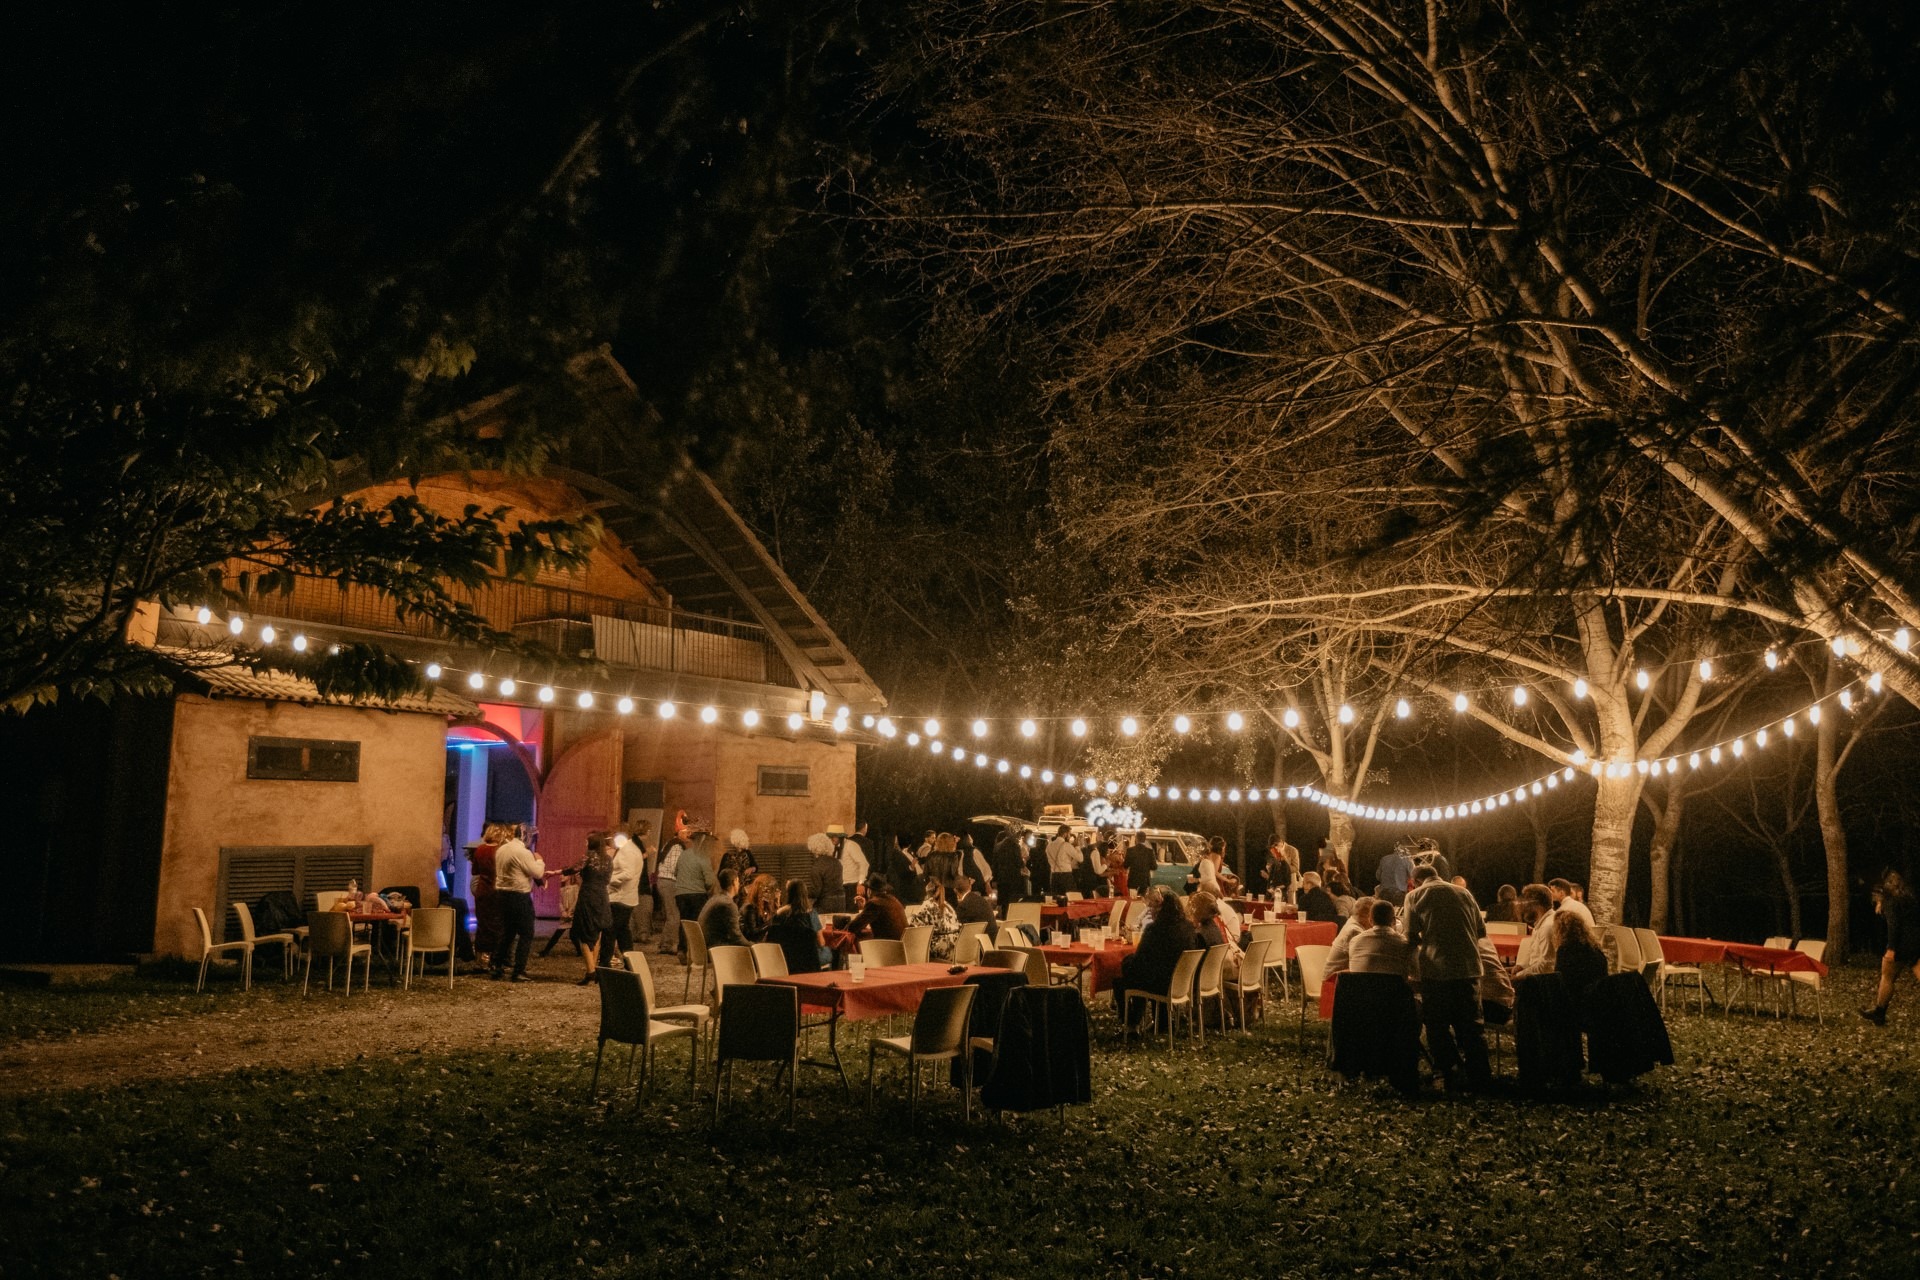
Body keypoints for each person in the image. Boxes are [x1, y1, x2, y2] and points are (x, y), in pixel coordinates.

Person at [1403, 864, 1491, 1091]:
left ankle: (1448, 1069)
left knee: (1437, 1024)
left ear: (1416, 880)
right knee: (1472, 1024)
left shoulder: (1415, 896)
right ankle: (1480, 1074)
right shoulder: (1464, 893)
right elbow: (1481, 931)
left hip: (1437, 968)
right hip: (1468, 966)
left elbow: (1411, 936)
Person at [1114, 887, 1199, 1026]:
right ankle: (1161, 1021)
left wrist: (1126, 962)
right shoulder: (1188, 927)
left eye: (1152, 908)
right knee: (1142, 970)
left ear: (1159, 909)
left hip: (1161, 984)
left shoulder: (1154, 930)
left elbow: (1138, 963)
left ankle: (1131, 1024)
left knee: (1122, 981)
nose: (1150, 911)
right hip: (1182, 981)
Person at [1862, 869, 1920, 1025]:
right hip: (1915, 942)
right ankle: (1879, 1012)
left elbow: (1894, 926)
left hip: (1901, 945)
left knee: (1887, 977)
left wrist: (1891, 949)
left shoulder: (1891, 901)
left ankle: (1879, 1012)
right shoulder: (1909, 897)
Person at [490, 824, 545, 982]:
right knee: (526, 933)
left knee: (507, 932)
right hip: (519, 896)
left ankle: (497, 965)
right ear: (526, 836)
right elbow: (537, 872)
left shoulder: (502, 849)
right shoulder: (523, 852)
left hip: (502, 894)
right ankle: (519, 970)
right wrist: (540, 861)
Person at [568, 833, 615, 985]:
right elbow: (608, 879)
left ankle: (591, 972)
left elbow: (573, 869)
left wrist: (557, 872)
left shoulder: (588, 856)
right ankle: (593, 969)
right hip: (602, 895)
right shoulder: (608, 859)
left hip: (588, 895)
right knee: (597, 933)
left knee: (583, 933)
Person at [766, 880, 829, 973]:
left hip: (785, 959)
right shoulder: (811, 913)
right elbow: (821, 942)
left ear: (789, 893)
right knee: (830, 952)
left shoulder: (780, 913)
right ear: (805, 893)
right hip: (809, 960)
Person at [675, 826, 719, 955]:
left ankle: (682, 949)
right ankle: (695, 952)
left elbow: (675, 872)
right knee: (697, 924)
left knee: (684, 922)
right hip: (697, 895)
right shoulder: (703, 857)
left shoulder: (684, 854)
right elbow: (709, 881)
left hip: (680, 894)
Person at [469, 822, 505, 969]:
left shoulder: (480, 850)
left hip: (482, 890)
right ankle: (494, 959)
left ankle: (480, 958)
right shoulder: (500, 851)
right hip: (496, 890)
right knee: (497, 925)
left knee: (482, 923)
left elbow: (475, 871)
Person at [1553, 910, 1609, 1005]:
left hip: (1577, 1002)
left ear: (1561, 931)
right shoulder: (1595, 947)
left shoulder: (1565, 950)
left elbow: (1560, 981)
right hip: (1600, 999)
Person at [606, 827, 645, 961]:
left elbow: (627, 874)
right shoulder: (634, 849)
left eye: (613, 837)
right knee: (623, 931)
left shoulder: (626, 851)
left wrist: (609, 880)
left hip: (620, 897)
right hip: (627, 896)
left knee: (610, 931)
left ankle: (605, 963)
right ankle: (630, 961)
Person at [1348, 900, 1415, 976]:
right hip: (1393, 987)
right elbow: (1415, 975)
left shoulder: (1354, 941)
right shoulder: (1405, 944)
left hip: (1361, 987)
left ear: (1370, 920)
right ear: (1394, 921)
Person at [1190, 891, 1244, 979]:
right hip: (1215, 977)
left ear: (1198, 910)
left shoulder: (1201, 934)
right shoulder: (1215, 927)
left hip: (1205, 979)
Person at [843, 873, 907, 941]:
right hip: (901, 945)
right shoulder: (893, 900)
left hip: (887, 947)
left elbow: (853, 927)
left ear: (869, 890)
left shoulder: (874, 903)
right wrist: (865, 907)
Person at [1324, 897, 1377, 978]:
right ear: (1367, 917)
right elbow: (1363, 963)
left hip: (1340, 977)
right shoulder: (1355, 932)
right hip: (1335, 982)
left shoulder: (1351, 921)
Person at [655, 817, 686, 956]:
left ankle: (664, 943)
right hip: (669, 881)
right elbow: (675, 868)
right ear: (679, 832)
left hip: (663, 881)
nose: (687, 835)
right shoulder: (677, 846)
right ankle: (668, 945)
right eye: (685, 832)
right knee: (674, 915)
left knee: (671, 914)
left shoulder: (670, 843)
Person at [697, 868, 749, 949]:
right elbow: (736, 937)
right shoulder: (728, 904)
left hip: (704, 946)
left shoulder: (714, 898)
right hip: (716, 950)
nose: (739, 884)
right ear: (734, 882)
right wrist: (754, 946)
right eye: (738, 881)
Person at [1513, 883, 1559, 975]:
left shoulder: (1547, 927)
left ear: (1536, 904)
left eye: (1526, 903)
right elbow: (1534, 955)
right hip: (1537, 979)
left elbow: (1547, 966)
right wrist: (1521, 966)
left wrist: (1520, 975)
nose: (1523, 908)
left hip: (1541, 984)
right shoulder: (1543, 923)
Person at [912, 880, 961, 960]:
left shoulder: (927, 905)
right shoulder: (949, 907)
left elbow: (913, 925)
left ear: (927, 892)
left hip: (939, 949)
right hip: (954, 947)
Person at [990, 830, 1031, 906]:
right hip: (1013, 877)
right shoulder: (1015, 845)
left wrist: (994, 879)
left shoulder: (998, 846)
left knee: (1002, 899)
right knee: (1012, 900)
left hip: (1001, 877)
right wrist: (1024, 860)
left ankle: (1002, 915)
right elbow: (1019, 862)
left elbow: (994, 864)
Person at [831, 824, 869, 902]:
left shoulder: (851, 845)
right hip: (840, 887)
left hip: (853, 886)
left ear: (840, 836)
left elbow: (863, 863)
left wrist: (860, 883)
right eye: (830, 836)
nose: (832, 839)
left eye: (834, 836)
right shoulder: (834, 848)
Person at [741, 873, 781, 943]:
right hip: (751, 946)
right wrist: (772, 920)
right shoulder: (750, 907)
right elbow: (753, 934)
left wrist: (777, 903)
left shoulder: (766, 906)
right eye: (769, 890)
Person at [1375, 841, 1416, 907]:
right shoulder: (1407, 859)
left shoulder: (1384, 859)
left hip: (1384, 893)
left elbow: (1378, 876)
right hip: (1399, 894)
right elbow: (1414, 876)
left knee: (1385, 914)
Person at [1045, 824, 1081, 895]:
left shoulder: (1049, 846)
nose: (1070, 836)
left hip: (1054, 876)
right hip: (1066, 875)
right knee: (1070, 898)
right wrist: (1077, 846)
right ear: (1065, 834)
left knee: (1056, 899)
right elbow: (1080, 858)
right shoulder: (1066, 845)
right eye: (1069, 834)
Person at [1124, 836, 1158, 900]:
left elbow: (1125, 865)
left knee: (1133, 900)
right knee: (1143, 900)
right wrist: (1146, 866)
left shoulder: (1130, 850)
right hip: (1144, 880)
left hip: (1133, 880)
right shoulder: (1149, 851)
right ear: (1145, 840)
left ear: (1136, 840)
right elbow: (1154, 867)